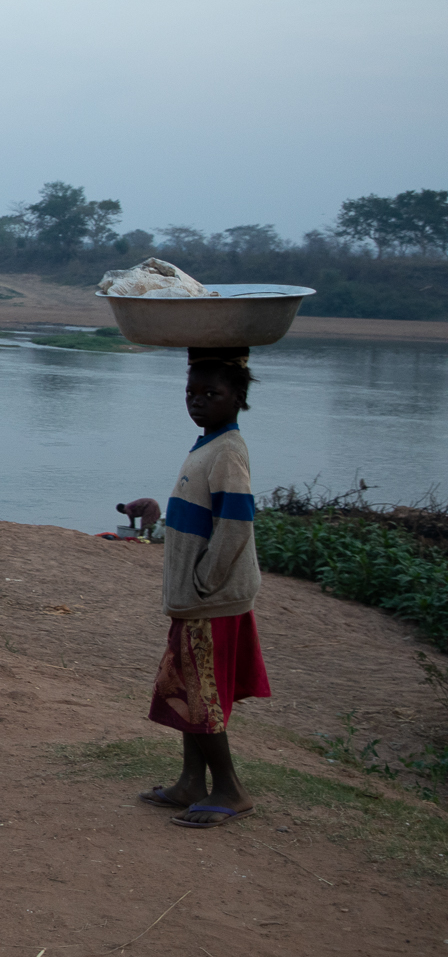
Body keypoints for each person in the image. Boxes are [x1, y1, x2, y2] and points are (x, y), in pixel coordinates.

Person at [135, 352, 270, 829]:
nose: (198, 401)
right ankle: (192, 782)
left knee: (202, 695)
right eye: (191, 393)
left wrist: (203, 583)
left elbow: (235, 525)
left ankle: (230, 790)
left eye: (211, 394)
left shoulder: (228, 451)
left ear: (238, 398)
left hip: (210, 601)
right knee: (187, 691)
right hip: (195, 599)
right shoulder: (208, 446)